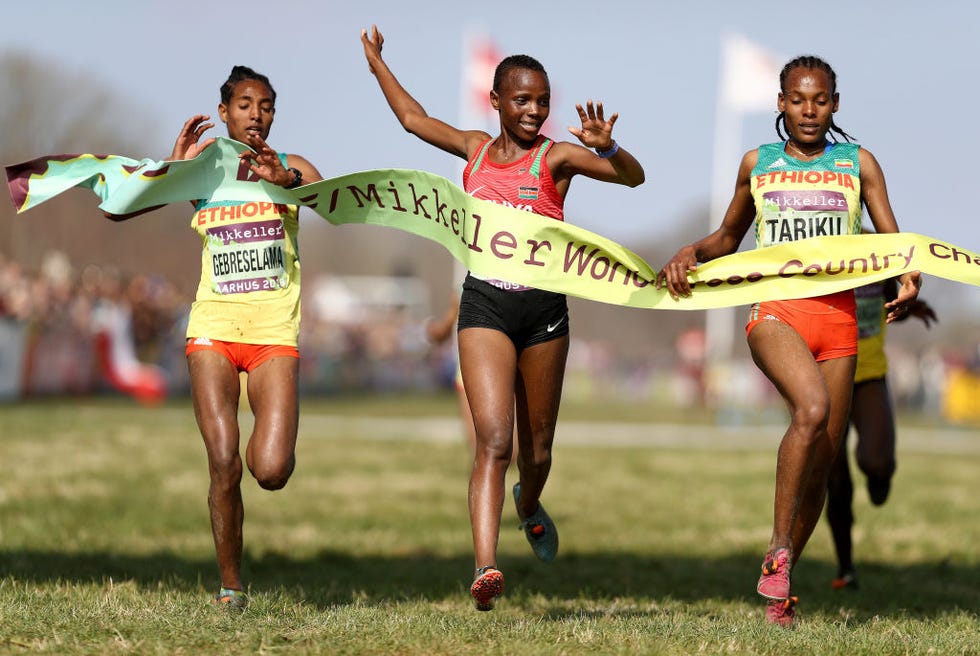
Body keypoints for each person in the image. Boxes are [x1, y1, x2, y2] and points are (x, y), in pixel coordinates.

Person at [361, 25, 645, 611]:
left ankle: (530, 504)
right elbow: (413, 120)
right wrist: (378, 66)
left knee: (536, 452)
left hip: (544, 315)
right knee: (494, 440)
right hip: (485, 306)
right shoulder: (475, 149)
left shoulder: (558, 157)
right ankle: (486, 566)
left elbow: (632, 178)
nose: (534, 110)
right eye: (521, 99)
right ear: (495, 101)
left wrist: (608, 147)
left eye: (542, 100)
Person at [656, 55, 921, 627]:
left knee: (824, 464)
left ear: (835, 104)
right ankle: (777, 547)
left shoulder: (859, 164)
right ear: (780, 103)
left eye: (820, 100)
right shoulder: (758, 163)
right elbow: (729, 236)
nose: (809, 110)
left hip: (843, 322)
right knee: (813, 408)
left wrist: (908, 273)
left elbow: (892, 240)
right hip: (777, 312)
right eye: (798, 100)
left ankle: (781, 589)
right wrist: (689, 252)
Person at [106, 65, 323, 609]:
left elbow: (332, 202)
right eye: (246, 105)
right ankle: (231, 587)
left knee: (269, 470)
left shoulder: (292, 166)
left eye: (267, 105)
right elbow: (120, 209)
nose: (257, 114)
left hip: (274, 330)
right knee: (223, 459)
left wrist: (288, 182)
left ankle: (267, 465)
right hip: (214, 328)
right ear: (224, 112)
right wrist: (172, 169)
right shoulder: (203, 170)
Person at [826, 278, 936, 590]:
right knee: (835, 481)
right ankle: (845, 569)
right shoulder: (817, 245)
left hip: (868, 373)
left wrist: (909, 306)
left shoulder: (877, 252)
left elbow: (893, 297)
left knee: (876, 462)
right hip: (823, 372)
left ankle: (879, 474)